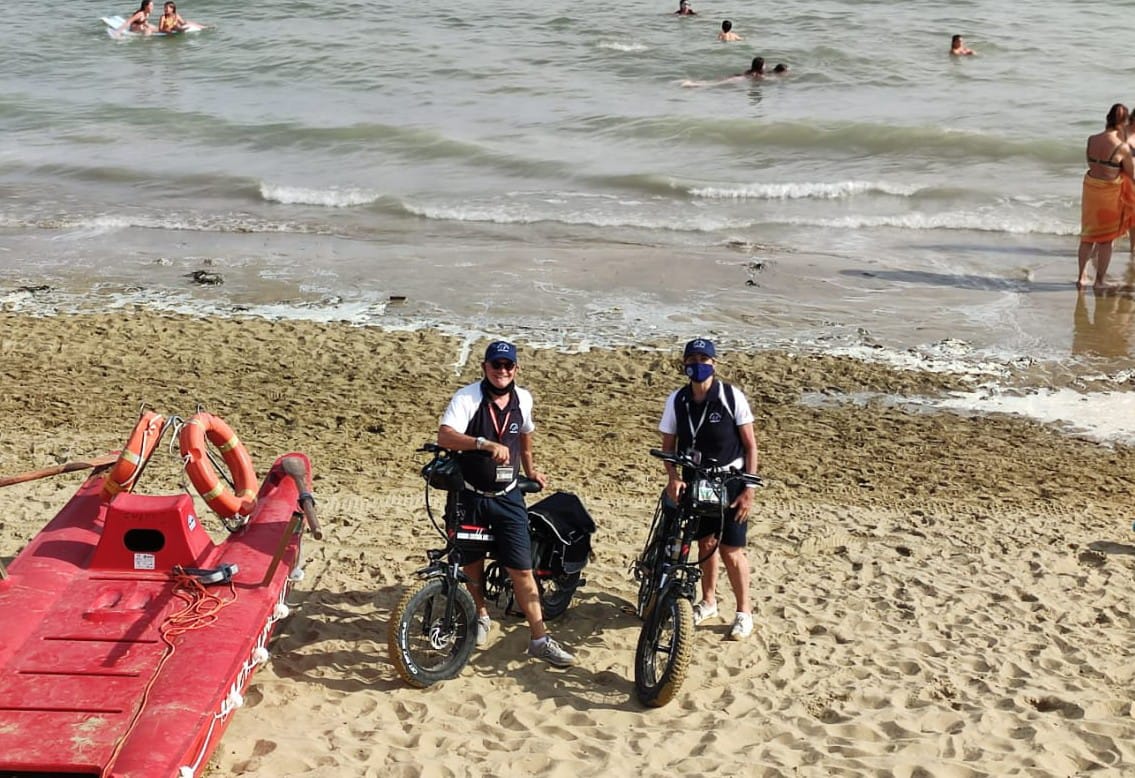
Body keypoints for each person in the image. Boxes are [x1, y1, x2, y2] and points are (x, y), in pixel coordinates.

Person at [437, 341, 575, 667]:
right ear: (485, 367)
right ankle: (481, 615)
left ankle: (539, 638)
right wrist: (482, 444)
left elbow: (525, 436)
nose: (502, 371)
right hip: (469, 495)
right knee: (471, 564)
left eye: (508, 366)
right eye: (496, 365)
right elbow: (445, 436)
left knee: (522, 570)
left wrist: (531, 471)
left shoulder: (523, 399)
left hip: (507, 497)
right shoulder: (467, 397)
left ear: (516, 369)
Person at [658, 338, 761, 640]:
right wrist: (673, 477)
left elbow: (751, 445)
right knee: (705, 544)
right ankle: (709, 601)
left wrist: (749, 489)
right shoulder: (678, 400)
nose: (698, 365)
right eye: (692, 359)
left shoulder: (731, 397)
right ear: (684, 364)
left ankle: (744, 612)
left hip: (731, 482)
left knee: (732, 551)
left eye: (704, 359)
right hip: (696, 481)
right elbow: (668, 446)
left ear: (714, 364)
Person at [1078, 103, 1135, 290]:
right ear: (1124, 122)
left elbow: (1090, 161)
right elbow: (1131, 172)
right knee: (1105, 240)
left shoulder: (1091, 139)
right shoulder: (1122, 147)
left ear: (1107, 118)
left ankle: (1081, 277)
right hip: (1108, 195)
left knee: (1087, 236)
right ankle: (1099, 281)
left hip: (1091, 190)